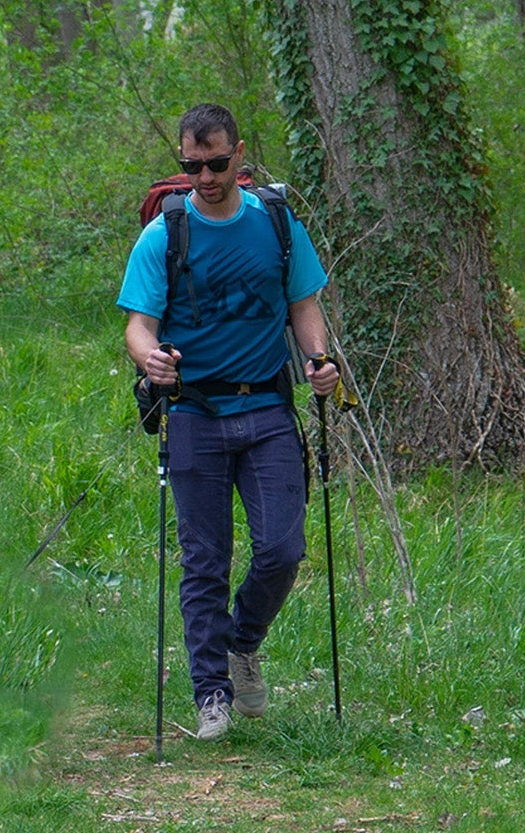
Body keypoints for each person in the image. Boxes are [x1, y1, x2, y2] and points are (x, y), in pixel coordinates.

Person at [116, 102, 342, 740]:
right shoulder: (165, 233)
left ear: (239, 154)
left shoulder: (275, 223)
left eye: (216, 163)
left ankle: (243, 644)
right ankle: (210, 691)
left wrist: (319, 362)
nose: (205, 176)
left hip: (268, 408)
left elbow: (304, 305)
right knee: (205, 560)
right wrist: (150, 359)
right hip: (193, 413)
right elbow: (138, 324)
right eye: (191, 165)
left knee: (282, 550)